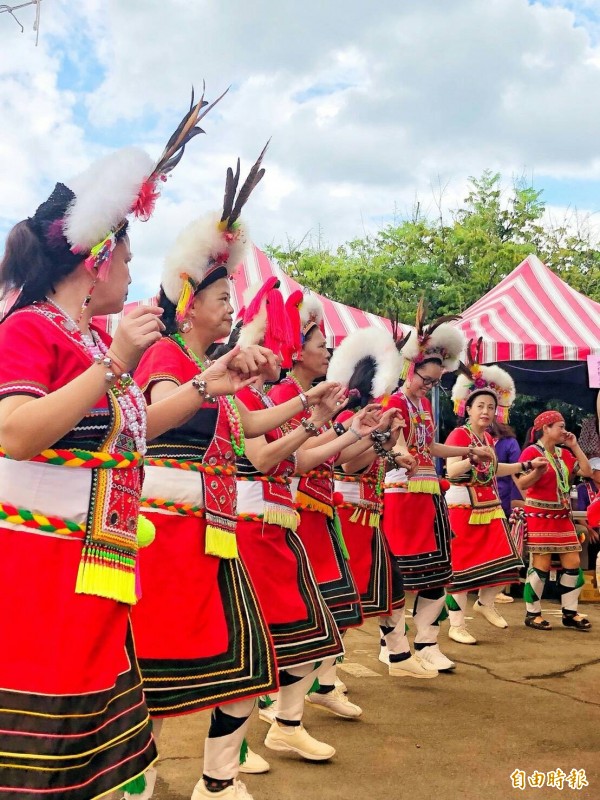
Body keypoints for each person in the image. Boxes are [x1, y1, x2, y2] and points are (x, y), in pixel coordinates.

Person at [0, 92, 230, 800]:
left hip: (92, 563)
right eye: (128, 257)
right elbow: (12, 434)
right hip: (40, 568)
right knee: (40, 745)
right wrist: (115, 366)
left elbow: (133, 433)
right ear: (98, 261)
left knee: (90, 745)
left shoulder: (91, 338)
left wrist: (208, 384)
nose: (136, 273)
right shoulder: (30, 330)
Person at [129, 151, 348, 800]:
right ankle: (139, 781)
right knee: (155, 671)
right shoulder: (167, 356)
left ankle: (217, 783)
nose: (232, 309)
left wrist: (308, 407)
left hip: (210, 534)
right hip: (167, 534)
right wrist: (211, 383)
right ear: (191, 303)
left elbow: (249, 433)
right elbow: (157, 417)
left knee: (250, 661)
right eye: (223, 298)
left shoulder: (208, 370)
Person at [235, 279, 375, 765]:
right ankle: (231, 752)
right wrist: (318, 421)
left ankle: (282, 727)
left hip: (283, 521)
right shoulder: (248, 398)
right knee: (264, 639)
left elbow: (295, 461)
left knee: (309, 634)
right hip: (253, 524)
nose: (327, 351)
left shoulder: (265, 400)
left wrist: (348, 431)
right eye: (319, 344)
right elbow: (268, 460)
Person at [268, 292, 378, 719]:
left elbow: (343, 461)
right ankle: (277, 703)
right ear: (297, 352)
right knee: (306, 612)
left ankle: (319, 687)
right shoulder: (282, 393)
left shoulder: (313, 397)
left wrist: (372, 436)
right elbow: (298, 457)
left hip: (320, 513)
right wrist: (347, 429)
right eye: (320, 346)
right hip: (295, 514)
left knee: (334, 609)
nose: (327, 352)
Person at [381, 304, 493, 672]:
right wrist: (400, 454)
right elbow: (394, 443)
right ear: (408, 369)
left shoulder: (423, 406)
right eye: (426, 380)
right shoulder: (394, 402)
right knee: (401, 576)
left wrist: (468, 450)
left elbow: (430, 448)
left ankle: (427, 641)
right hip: (402, 497)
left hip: (429, 497)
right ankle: (392, 644)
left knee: (439, 574)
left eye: (435, 382)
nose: (431, 386)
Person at [327, 327, 438, 679]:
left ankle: (399, 655)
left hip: (368, 515)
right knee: (347, 600)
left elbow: (378, 457)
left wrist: (391, 450)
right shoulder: (348, 418)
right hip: (350, 515)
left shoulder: (373, 419)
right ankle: (322, 681)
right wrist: (383, 442)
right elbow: (349, 464)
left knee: (390, 589)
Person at [444, 356, 544, 644]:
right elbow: (450, 471)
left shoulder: (487, 439)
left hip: (489, 506)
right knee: (461, 567)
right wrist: (471, 457)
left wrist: (526, 466)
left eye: (490, 406)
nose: (486, 411)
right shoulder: (459, 434)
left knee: (506, 559)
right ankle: (456, 624)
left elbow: (495, 468)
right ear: (468, 409)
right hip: (463, 506)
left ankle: (485, 602)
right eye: (480, 406)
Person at [518, 411, 593, 631]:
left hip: (562, 515)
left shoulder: (564, 454)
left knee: (573, 563)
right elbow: (523, 484)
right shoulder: (531, 452)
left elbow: (587, 471)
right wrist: (537, 472)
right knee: (541, 565)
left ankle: (570, 613)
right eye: (560, 426)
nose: (564, 430)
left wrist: (575, 446)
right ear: (546, 429)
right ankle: (533, 613)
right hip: (539, 514)